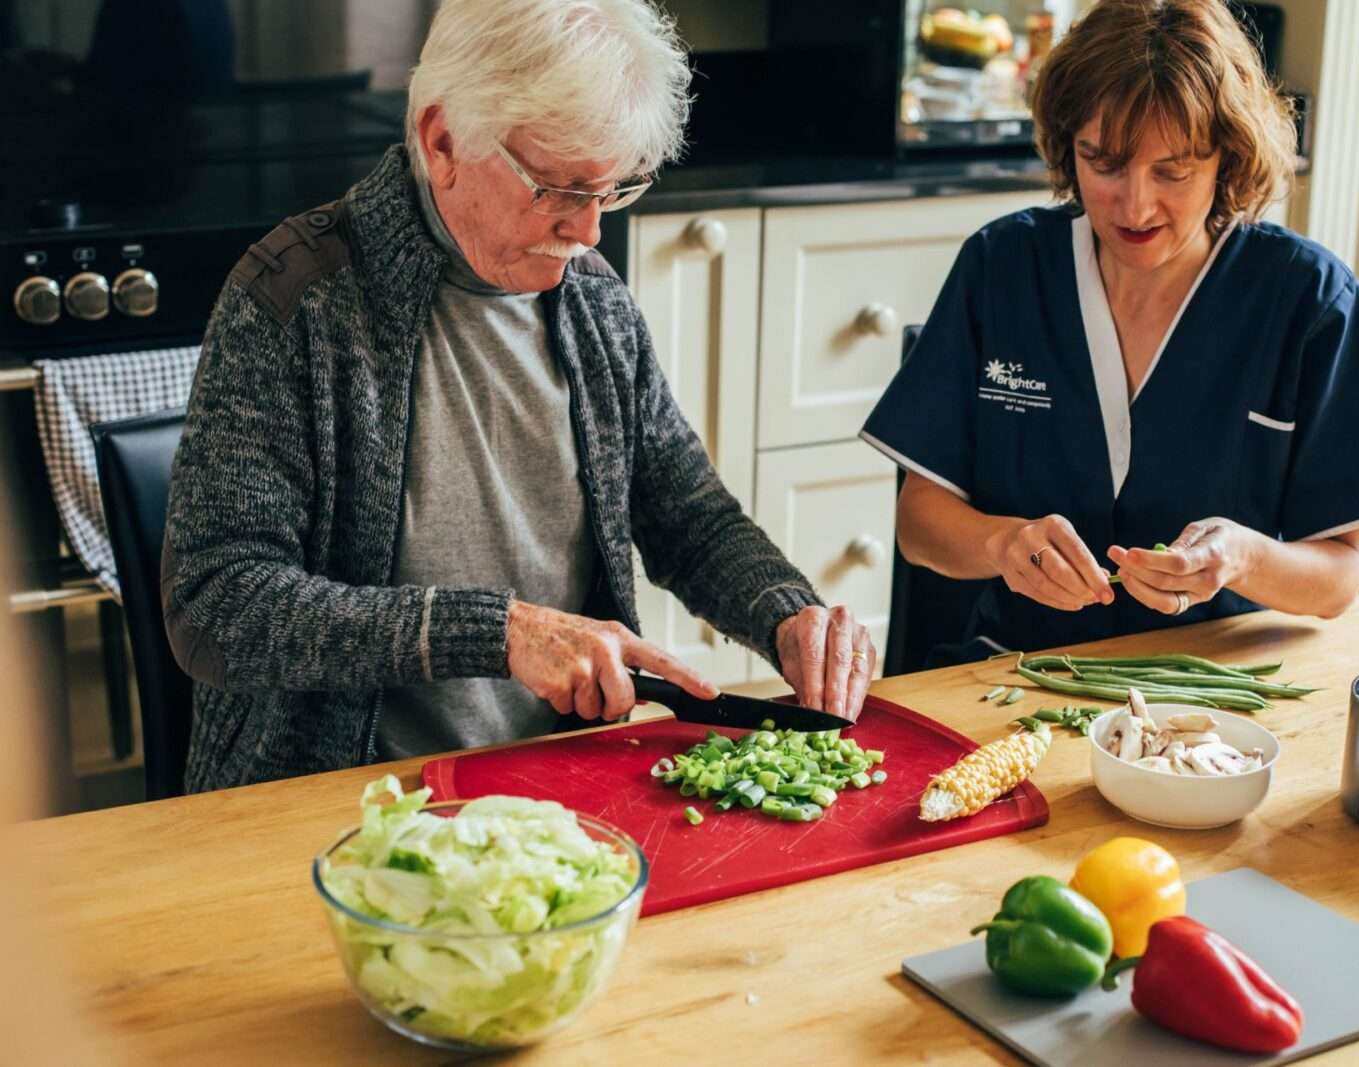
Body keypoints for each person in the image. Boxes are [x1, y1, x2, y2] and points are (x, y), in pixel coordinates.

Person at [163, 0, 877, 793]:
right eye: (559, 188)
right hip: (340, 800)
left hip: (559, 788)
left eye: (613, 191)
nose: (590, 231)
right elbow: (217, 603)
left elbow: (689, 518)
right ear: (443, 142)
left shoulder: (595, 304)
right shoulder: (296, 302)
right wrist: (497, 632)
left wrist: (786, 612)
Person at [862, 0, 1359, 663]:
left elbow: (1338, 578)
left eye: (1173, 171)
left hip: (1212, 695)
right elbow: (918, 522)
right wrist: (1002, 544)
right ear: (1066, 145)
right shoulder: (1003, 268)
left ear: (1228, 157)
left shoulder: (1307, 299)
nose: (1134, 205)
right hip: (1018, 673)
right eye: (1102, 162)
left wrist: (1241, 556)